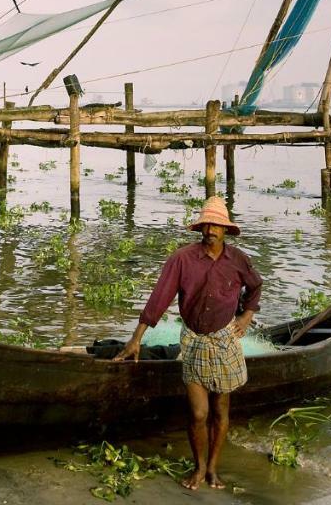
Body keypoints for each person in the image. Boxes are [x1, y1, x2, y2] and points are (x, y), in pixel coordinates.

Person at [113, 195, 262, 491]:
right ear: (200, 228)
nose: (210, 230)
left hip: (225, 340)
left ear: (225, 230)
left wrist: (246, 316)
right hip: (194, 340)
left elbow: (255, 286)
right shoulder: (182, 259)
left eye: (216, 225)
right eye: (206, 224)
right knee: (198, 413)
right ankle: (199, 467)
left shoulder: (238, 260)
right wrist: (136, 339)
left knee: (220, 410)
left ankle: (213, 470)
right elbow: (159, 299)